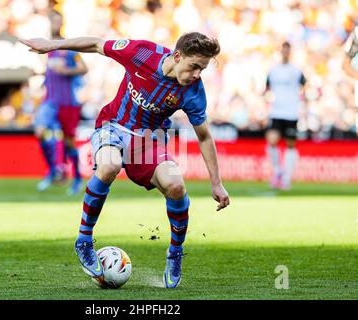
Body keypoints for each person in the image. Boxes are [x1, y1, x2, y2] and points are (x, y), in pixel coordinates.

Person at [20, 31, 230, 288]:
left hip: (148, 139)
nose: (197, 74)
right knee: (109, 165)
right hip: (113, 125)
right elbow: (97, 44)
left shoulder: (193, 92)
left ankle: (175, 252)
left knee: (175, 185)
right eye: (194, 66)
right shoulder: (141, 53)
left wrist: (216, 183)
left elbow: (205, 137)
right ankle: (84, 239)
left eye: (202, 69)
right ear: (177, 56)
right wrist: (51, 45)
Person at [34, 12, 88, 192]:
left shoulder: (68, 47)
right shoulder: (45, 46)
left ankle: (77, 179)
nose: (55, 23)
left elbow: (83, 68)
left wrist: (65, 71)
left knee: (69, 142)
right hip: (50, 100)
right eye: (52, 20)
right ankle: (53, 170)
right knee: (40, 131)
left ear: (62, 23)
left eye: (58, 20)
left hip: (68, 102)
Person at [264, 42, 306, 191]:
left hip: (292, 113)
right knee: (272, 140)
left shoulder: (296, 71)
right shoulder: (273, 71)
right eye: (283, 51)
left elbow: (304, 87)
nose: (285, 53)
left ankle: (287, 177)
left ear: (290, 52)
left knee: (290, 144)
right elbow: (266, 89)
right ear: (280, 52)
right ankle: (278, 171)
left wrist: (303, 107)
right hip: (277, 112)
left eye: (288, 51)